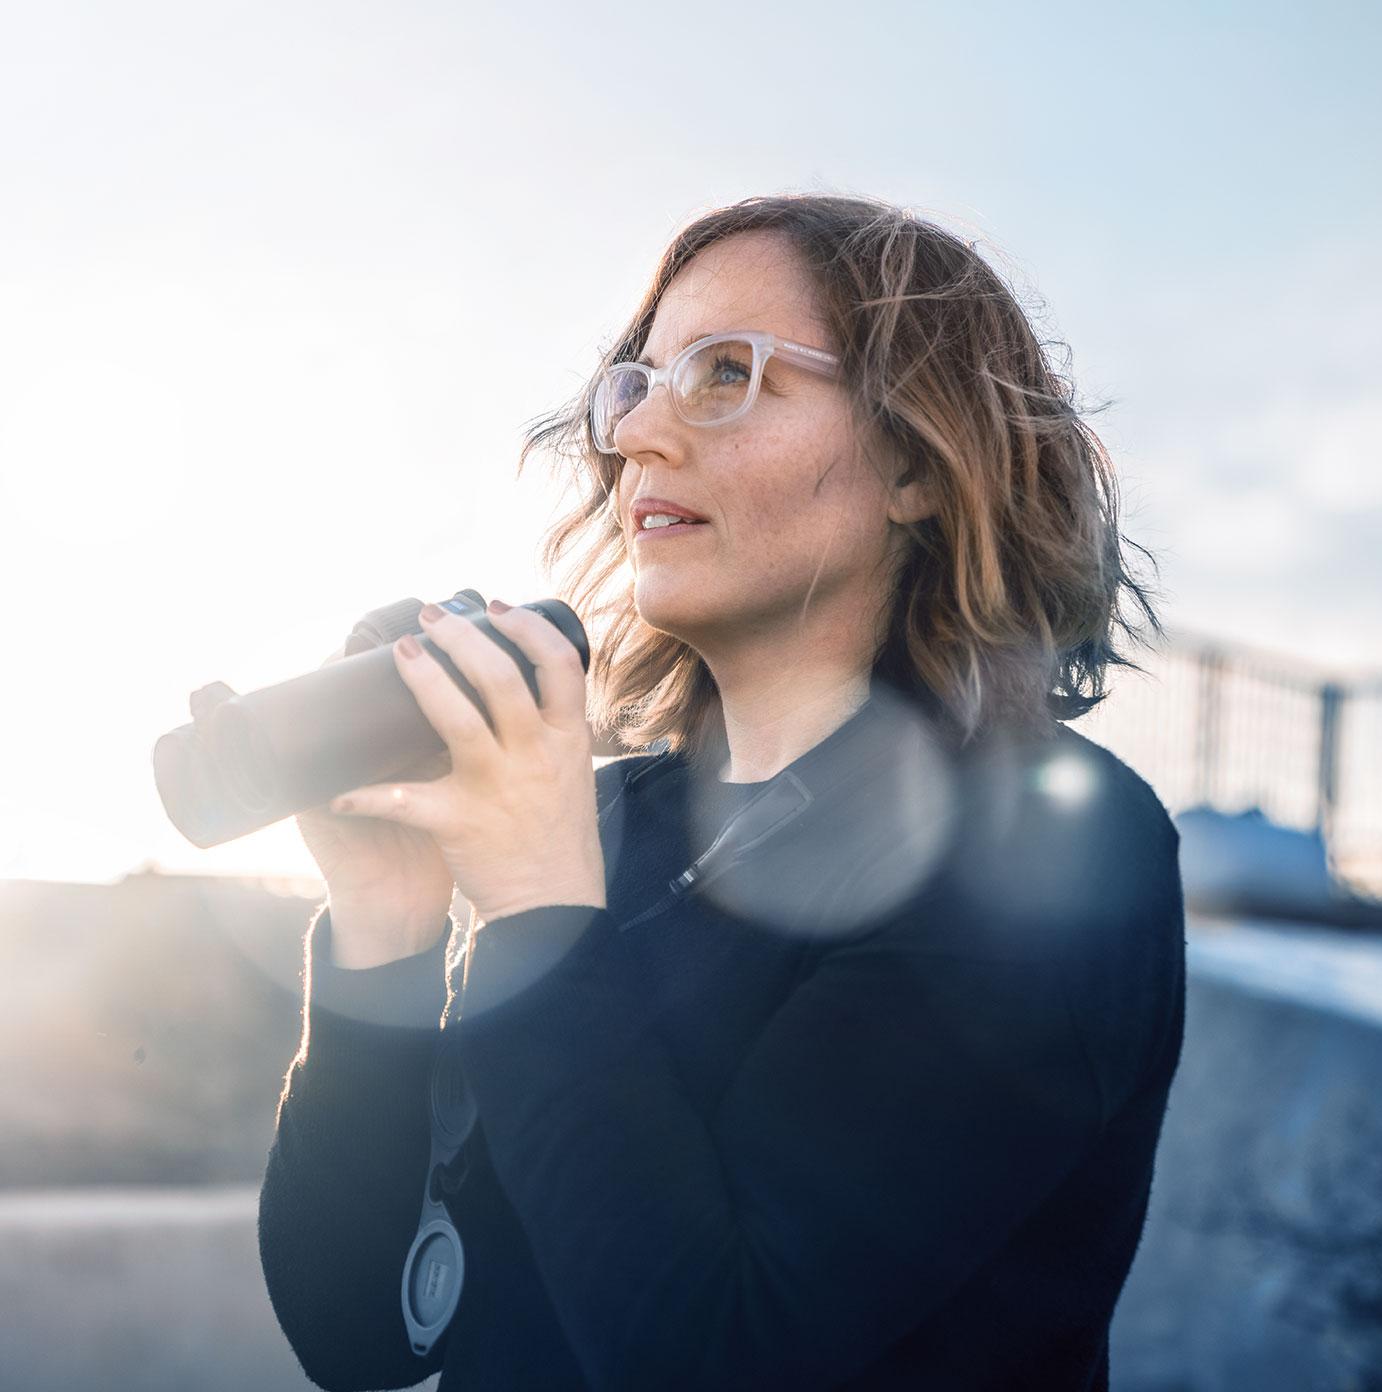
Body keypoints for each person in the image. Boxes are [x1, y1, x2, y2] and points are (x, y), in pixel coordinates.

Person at [258, 192, 1187, 1391]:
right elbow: (363, 1333)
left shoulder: (1053, 849)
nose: (640, 432)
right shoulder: (606, 824)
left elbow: (715, 1347)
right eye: (636, 383)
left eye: (726, 373)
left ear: (915, 458)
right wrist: (387, 936)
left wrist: (539, 903)